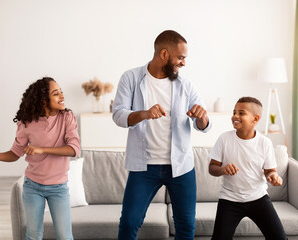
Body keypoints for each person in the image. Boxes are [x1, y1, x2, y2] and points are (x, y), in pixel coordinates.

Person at [112, 30, 211, 240]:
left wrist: (202, 117)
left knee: (186, 227)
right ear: (164, 54)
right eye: (181, 57)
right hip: (143, 167)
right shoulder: (131, 78)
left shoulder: (186, 85)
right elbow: (119, 115)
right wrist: (144, 113)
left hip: (181, 167)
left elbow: (202, 124)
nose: (184, 63)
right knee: (129, 223)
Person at [0, 77, 80, 240]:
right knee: (33, 235)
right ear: (43, 100)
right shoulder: (27, 122)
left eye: (61, 92)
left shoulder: (67, 117)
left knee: (65, 236)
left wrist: (41, 149)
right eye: (56, 93)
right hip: (33, 186)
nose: (62, 96)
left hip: (59, 188)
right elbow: (16, 153)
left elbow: (74, 150)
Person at [209, 96, 287, 240]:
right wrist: (222, 169)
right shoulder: (224, 139)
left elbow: (270, 171)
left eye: (241, 113)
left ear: (255, 119)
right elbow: (212, 168)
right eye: (234, 112)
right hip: (229, 199)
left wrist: (273, 176)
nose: (235, 116)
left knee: (279, 238)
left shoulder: (265, 142)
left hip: (258, 198)